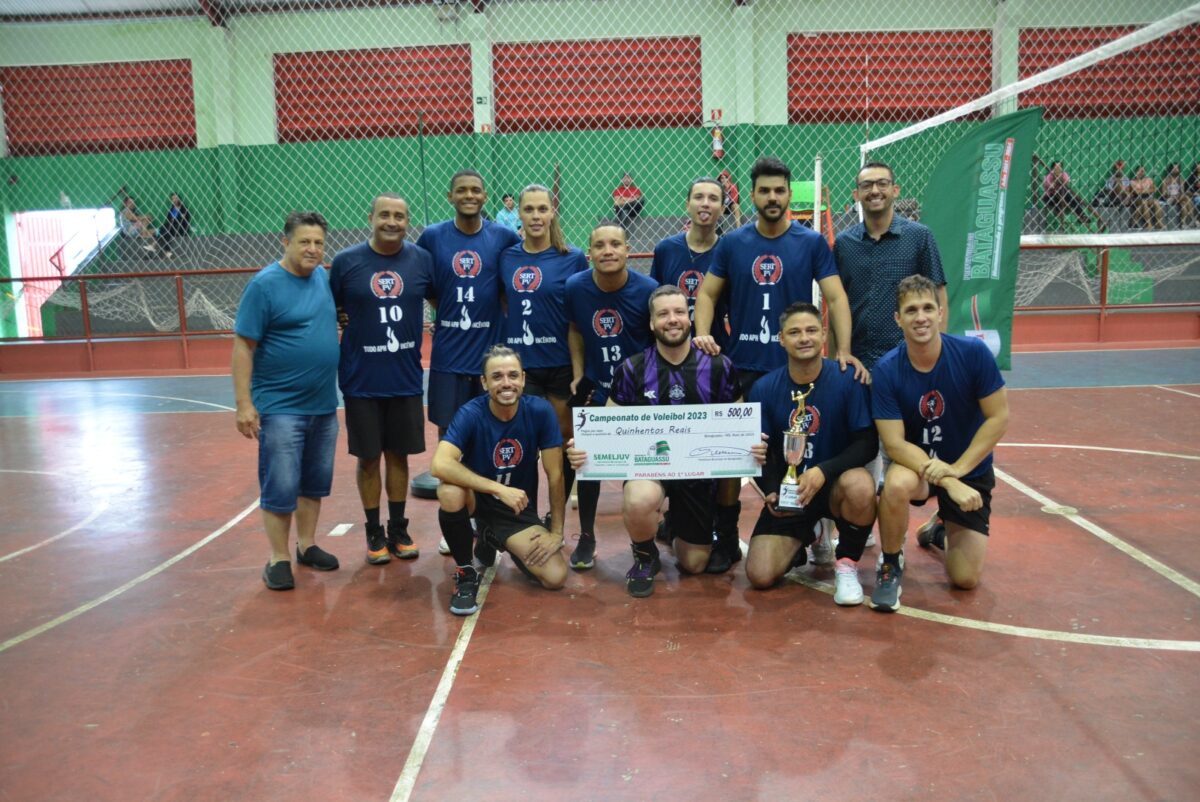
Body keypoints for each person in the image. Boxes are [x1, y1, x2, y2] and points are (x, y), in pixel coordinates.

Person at [565, 285, 762, 597]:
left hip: (698, 474)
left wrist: (754, 443)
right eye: (664, 314)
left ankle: (675, 526)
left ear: (690, 318)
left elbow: (738, 426)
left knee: (695, 563)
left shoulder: (718, 366)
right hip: (650, 467)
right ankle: (645, 556)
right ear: (651, 323)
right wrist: (585, 451)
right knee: (639, 499)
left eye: (680, 312)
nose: (673, 320)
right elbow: (606, 428)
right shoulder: (631, 369)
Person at [869, 275, 1009, 612]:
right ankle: (890, 565)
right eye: (911, 310)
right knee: (895, 484)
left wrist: (958, 471)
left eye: (928, 308)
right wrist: (947, 480)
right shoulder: (887, 370)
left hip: (968, 469)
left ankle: (938, 530)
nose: (921, 317)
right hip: (917, 467)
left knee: (965, 579)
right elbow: (895, 443)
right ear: (897, 318)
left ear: (941, 312)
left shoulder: (973, 354)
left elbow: (998, 418)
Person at [693, 155, 865, 398]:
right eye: (764, 191)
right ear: (752, 196)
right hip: (742, 364)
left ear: (789, 195)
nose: (772, 197)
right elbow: (707, 294)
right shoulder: (732, 243)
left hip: (798, 364)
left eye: (779, 190)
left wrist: (844, 350)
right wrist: (702, 334)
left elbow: (836, 298)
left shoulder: (811, 242)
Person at [232, 211, 341, 590]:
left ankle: (307, 545)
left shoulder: (323, 279)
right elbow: (244, 346)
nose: (312, 249)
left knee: (313, 482)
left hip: (325, 405)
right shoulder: (264, 286)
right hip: (281, 407)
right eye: (304, 242)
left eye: (318, 243)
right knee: (280, 483)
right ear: (286, 242)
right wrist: (244, 404)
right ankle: (278, 557)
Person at [415, 169, 522, 548]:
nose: (469, 195)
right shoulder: (432, 237)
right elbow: (430, 290)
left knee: (491, 440)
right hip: (447, 360)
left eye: (476, 189)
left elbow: (510, 291)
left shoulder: (504, 237)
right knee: (451, 443)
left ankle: (487, 521)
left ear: (485, 195)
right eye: (461, 190)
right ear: (450, 196)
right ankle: (458, 523)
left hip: (489, 362)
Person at [745, 302, 878, 604]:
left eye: (810, 330)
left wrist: (823, 471)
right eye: (794, 332)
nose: (803, 338)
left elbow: (867, 444)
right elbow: (761, 452)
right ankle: (812, 532)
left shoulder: (849, 380)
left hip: (834, 486)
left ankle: (846, 564)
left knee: (860, 485)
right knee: (760, 575)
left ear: (823, 335)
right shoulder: (764, 388)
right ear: (781, 339)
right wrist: (769, 490)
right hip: (792, 492)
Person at [329, 194, 433, 565]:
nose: (392, 221)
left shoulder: (421, 260)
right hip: (361, 379)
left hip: (404, 377)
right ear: (370, 217)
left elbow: (438, 299)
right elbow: (330, 307)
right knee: (370, 458)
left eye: (400, 216)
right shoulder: (346, 263)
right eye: (385, 215)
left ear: (409, 221)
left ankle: (399, 528)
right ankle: (374, 531)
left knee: (399, 456)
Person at [430, 346, 568, 615]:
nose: (506, 383)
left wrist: (557, 533)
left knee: (555, 577)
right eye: (497, 376)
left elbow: (556, 475)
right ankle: (466, 573)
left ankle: (489, 535)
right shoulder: (470, 413)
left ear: (523, 379)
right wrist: (498, 489)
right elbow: (439, 464)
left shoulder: (540, 411)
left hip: (515, 511)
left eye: (513, 375)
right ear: (484, 382)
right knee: (449, 492)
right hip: (477, 498)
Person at [649, 177, 739, 571]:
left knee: (722, 447)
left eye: (714, 199)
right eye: (699, 197)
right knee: (670, 438)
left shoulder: (731, 249)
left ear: (723, 207)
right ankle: (674, 516)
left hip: (714, 360)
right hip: (669, 359)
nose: (705, 204)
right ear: (686, 204)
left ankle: (725, 529)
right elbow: (653, 304)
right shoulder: (666, 249)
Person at [564, 224, 658, 570]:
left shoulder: (647, 290)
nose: (608, 250)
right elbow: (574, 329)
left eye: (615, 244)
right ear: (589, 253)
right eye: (599, 245)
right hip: (597, 386)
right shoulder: (575, 287)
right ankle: (586, 536)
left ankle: (651, 532)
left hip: (638, 393)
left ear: (628, 250)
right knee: (588, 463)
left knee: (647, 462)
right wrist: (578, 371)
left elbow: (656, 342)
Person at [498, 184, 588, 523]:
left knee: (563, 439)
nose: (536, 216)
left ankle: (558, 511)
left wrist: (579, 369)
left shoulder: (573, 257)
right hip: (523, 367)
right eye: (529, 209)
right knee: (524, 440)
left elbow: (576, 319)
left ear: (552, 212)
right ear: (518, 213)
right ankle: (525, 513)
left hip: (560, 364)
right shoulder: (507, 257)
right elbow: (505, 301)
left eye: (542, 209)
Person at [834, 161, 947, 372]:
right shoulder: (844, 243)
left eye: (882, 184)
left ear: (895, 190)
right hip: (859, 364)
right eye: (867, 185)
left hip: (908, 361)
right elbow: (836, 302)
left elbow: (938, 292)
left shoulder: (919, 236)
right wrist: (838, 357)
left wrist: (937, 355)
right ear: (856, 194)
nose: (875, 190)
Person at [1042, 161, 1093, 231]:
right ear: (1052, 168)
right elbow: (1050, 187)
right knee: (1065, 192)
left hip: (1063, 196)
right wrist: (1055, 180)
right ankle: (1078, 213)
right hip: (1050, 197)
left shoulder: (1063, 174)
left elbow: (1067, 182)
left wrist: (1060, 178)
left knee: (1067, 192)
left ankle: (1082, 215)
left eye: (1059, 166)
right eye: (1056, 167)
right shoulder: (1048, 176)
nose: (1058, 168)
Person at [1160, 162, 1195, 228]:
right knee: (1186, 198)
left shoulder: (1180, 179)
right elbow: (1163, 193)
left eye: (1177, 168)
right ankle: (1192, 217)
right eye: (1174, 168)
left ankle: (1183, 223)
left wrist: (1179, 195)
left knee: (1184, 205)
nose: (1176, 169)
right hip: (1170, 199)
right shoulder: (1166, 179)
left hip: (1179, 198)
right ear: (1171, 169)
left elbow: (1182, 191)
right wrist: (1170, 194)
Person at [1130, 165, 1165, 230]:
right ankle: (1148, 223)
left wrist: (1143, 190)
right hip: (1137, 198)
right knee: (1144, 202)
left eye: (1142, 171)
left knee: (1156, 202)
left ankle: (1159, 222)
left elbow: (1154, 189)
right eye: (1139, 171)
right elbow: (1136, 192)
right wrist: (1147, 190)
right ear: (1136, 172)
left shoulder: (1149, 180)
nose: (1141, 172)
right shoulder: (1132, 181)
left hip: (1148, 197)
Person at [718, 169, 742, 233]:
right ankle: (719, 228)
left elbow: (735, 199)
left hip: (730, 206)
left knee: (736, 206)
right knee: (721, 208)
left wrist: (729, 189)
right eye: (722, 178)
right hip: (722, 207)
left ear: (728, 179)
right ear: (720, 180)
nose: (723, 180)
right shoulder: (719, 188)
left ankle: (738, 228)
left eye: (725, 178)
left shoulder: (733, 186)